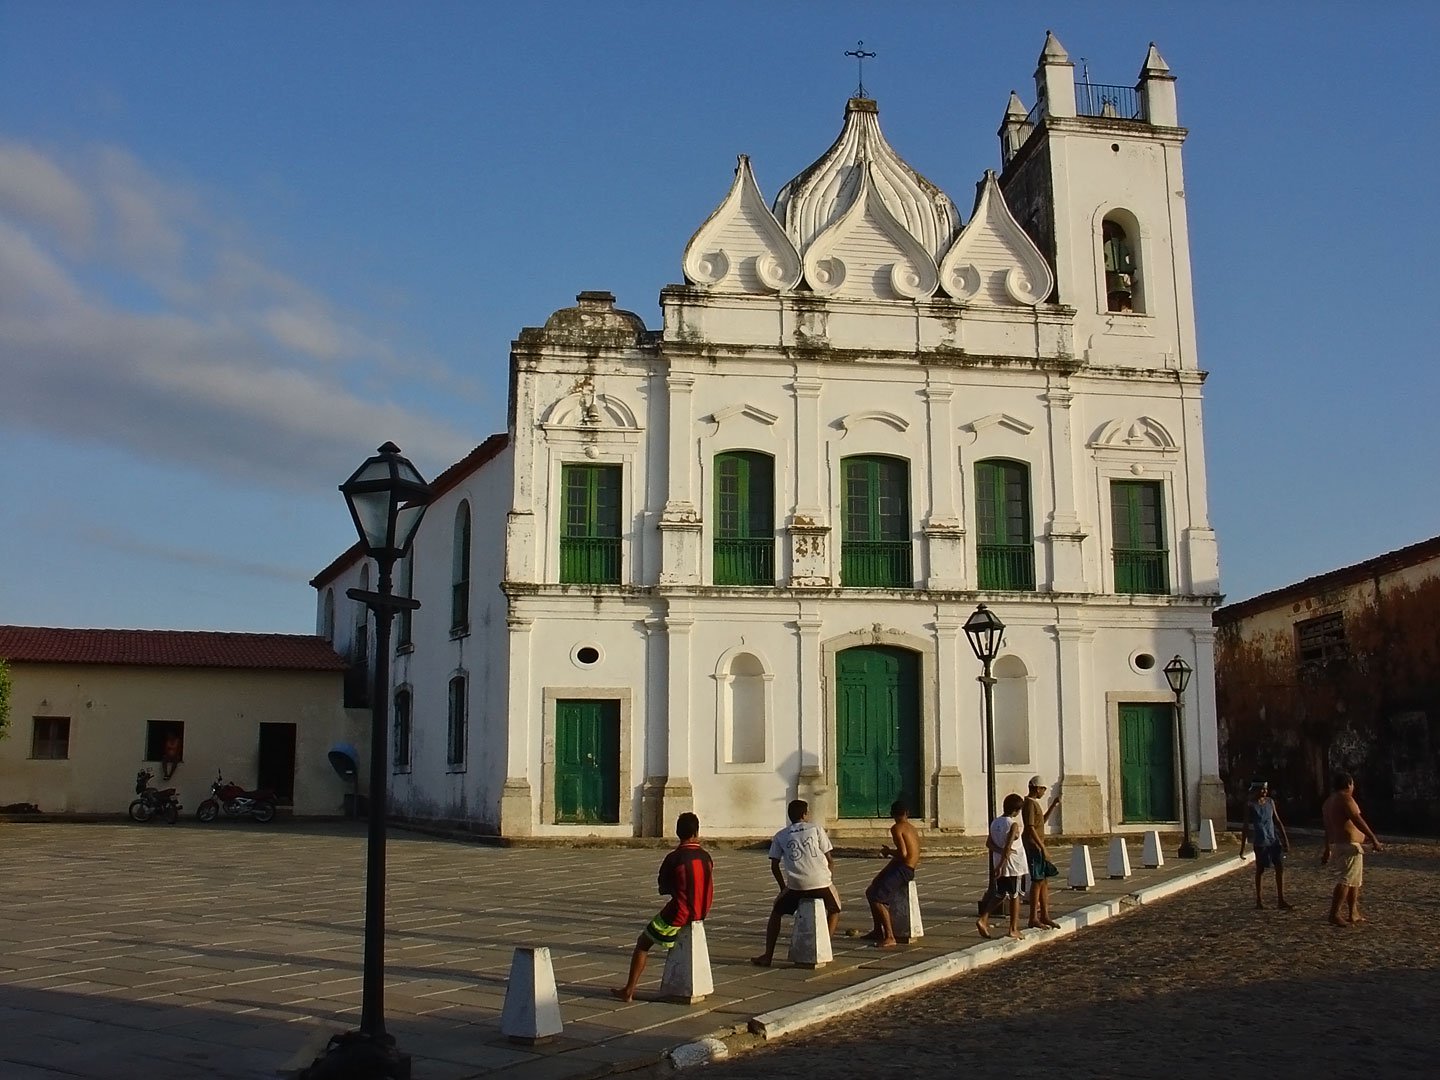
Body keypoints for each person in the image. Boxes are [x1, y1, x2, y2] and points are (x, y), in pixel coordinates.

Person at [612, 812, 713, 1001]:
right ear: (696, 832)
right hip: (702, 910)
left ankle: (629, 989)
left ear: (677, 833)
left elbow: (664, 887)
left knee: (643, 943)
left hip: (680, 913)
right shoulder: (706, 857)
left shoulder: (674, 858)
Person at [752, 799, 841, 966]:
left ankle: (768, 955)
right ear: (804, 815)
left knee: (776, 912)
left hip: (796, 886)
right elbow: (830, 860)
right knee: (835, 909)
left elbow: (774, 865)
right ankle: (825, 946)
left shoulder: (781, 835)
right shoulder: (816, 829)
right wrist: (828, 878)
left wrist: (782, 887)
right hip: (821, 882)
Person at [1321, 772, 1383, 928]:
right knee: (1346, 879)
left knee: (1354, 880)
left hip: (1340, 844)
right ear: (1349, 784)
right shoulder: (1345, 799)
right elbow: (1357, 819)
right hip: (1348, 845)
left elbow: (1328, 828)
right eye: (1353, 784)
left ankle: (1353, 912)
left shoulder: (1328, 802)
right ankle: (1334, 913)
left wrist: (1327, 848)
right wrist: (1373, 837)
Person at [863, 800, 921, 947]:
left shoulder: (897, 828)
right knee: (871, 891)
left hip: (903, 869)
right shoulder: (912, 828)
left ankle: (889, 936)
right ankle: (877, 930)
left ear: (892, 814)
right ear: (907, 813)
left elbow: (903, 853)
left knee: (878, 898)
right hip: (905, 867)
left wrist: (888, 851)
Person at [977, 793, 1027, 941]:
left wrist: (999, 855)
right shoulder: (1013, 825)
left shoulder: (995, 823)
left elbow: (989, 844)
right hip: (1013, 865)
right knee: (1015, 895)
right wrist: (1001, 863)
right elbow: (1008, 846)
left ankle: (984, 918)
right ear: (1016, 810)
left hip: (1000, 861)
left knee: (1000, 894)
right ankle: (1013, 928)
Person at [1238, 780, 1292, 910]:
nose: (1265, 792)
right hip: (1261, 841)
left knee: (1279, 867)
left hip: (1273, 839)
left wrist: (1285, 839)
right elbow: (1245, 826)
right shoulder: (1250, 805)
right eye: (1262, 789)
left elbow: (1277, 821)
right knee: (1260, 870)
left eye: (1266, 789)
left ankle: (1281, 899)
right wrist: (1242, 848)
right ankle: (1259, 900)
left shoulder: (1270, 802)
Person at [1021, 776, 1061, 929]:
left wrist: (1052, 806)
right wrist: (1042, 847)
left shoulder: (1034, 804)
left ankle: (1044, 915)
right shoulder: (1029, 804)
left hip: (1038, 845)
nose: (1044, 792)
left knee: (1044, 881)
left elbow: (1040, 822)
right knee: (1037, 881)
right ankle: (1033, 917)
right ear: (1037, 788)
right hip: (1034, 846)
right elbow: (1030, 827)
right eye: (1043, 789)